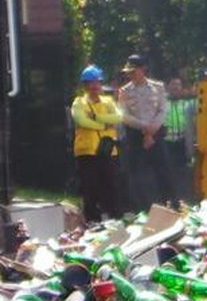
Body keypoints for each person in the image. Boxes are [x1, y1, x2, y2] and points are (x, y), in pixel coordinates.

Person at [118, 54, 173, 210]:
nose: (130, 74)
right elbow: (123, 114)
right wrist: (144, 127)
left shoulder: (158, 87)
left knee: (163, 170)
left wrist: (153, 128)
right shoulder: (124, 91)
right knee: (134, 173)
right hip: (135, 135)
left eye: (133, 71)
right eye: (128, 72)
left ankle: (168, 204)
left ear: (143, 69)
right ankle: (139, 207)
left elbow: (163, 109)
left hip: (156, 133)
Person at [71, 65, 123, 222]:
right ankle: (93, 221)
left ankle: (115, 218)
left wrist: (94, 116)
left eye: (97, 82)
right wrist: (103, 124)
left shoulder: (108, 101)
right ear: (84, 85)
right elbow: (81, 120)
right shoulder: (78, 102)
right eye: (90, 83)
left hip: (107, 151)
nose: (94, 86)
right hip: (87, 152)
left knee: (111, 186)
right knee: (90, 189)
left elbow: (118, 118)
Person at [164, 77, 197, 200]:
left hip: (183, 143)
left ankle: (184, 198)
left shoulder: (187, 104)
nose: (176, 88)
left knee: (184, 172)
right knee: (168, 172)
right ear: (168, 88)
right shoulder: (163, 105)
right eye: (173, 85)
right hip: (167, 143)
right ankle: (170, 197)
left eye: (178, 85)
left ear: (182, 88)